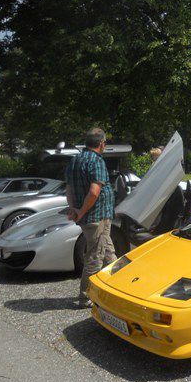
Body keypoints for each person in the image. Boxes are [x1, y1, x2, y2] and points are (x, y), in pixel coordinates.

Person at [65, 127, 117, 308]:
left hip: (90, 217)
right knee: (95, 257)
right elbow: (94, 192)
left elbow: (69, 188)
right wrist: (81, 211)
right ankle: (85, 297)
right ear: (102, 144)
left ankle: (117, 287)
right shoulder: (97, 161)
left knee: (109, 254)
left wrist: (74, 209)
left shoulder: (75, 159)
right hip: (97, 217)